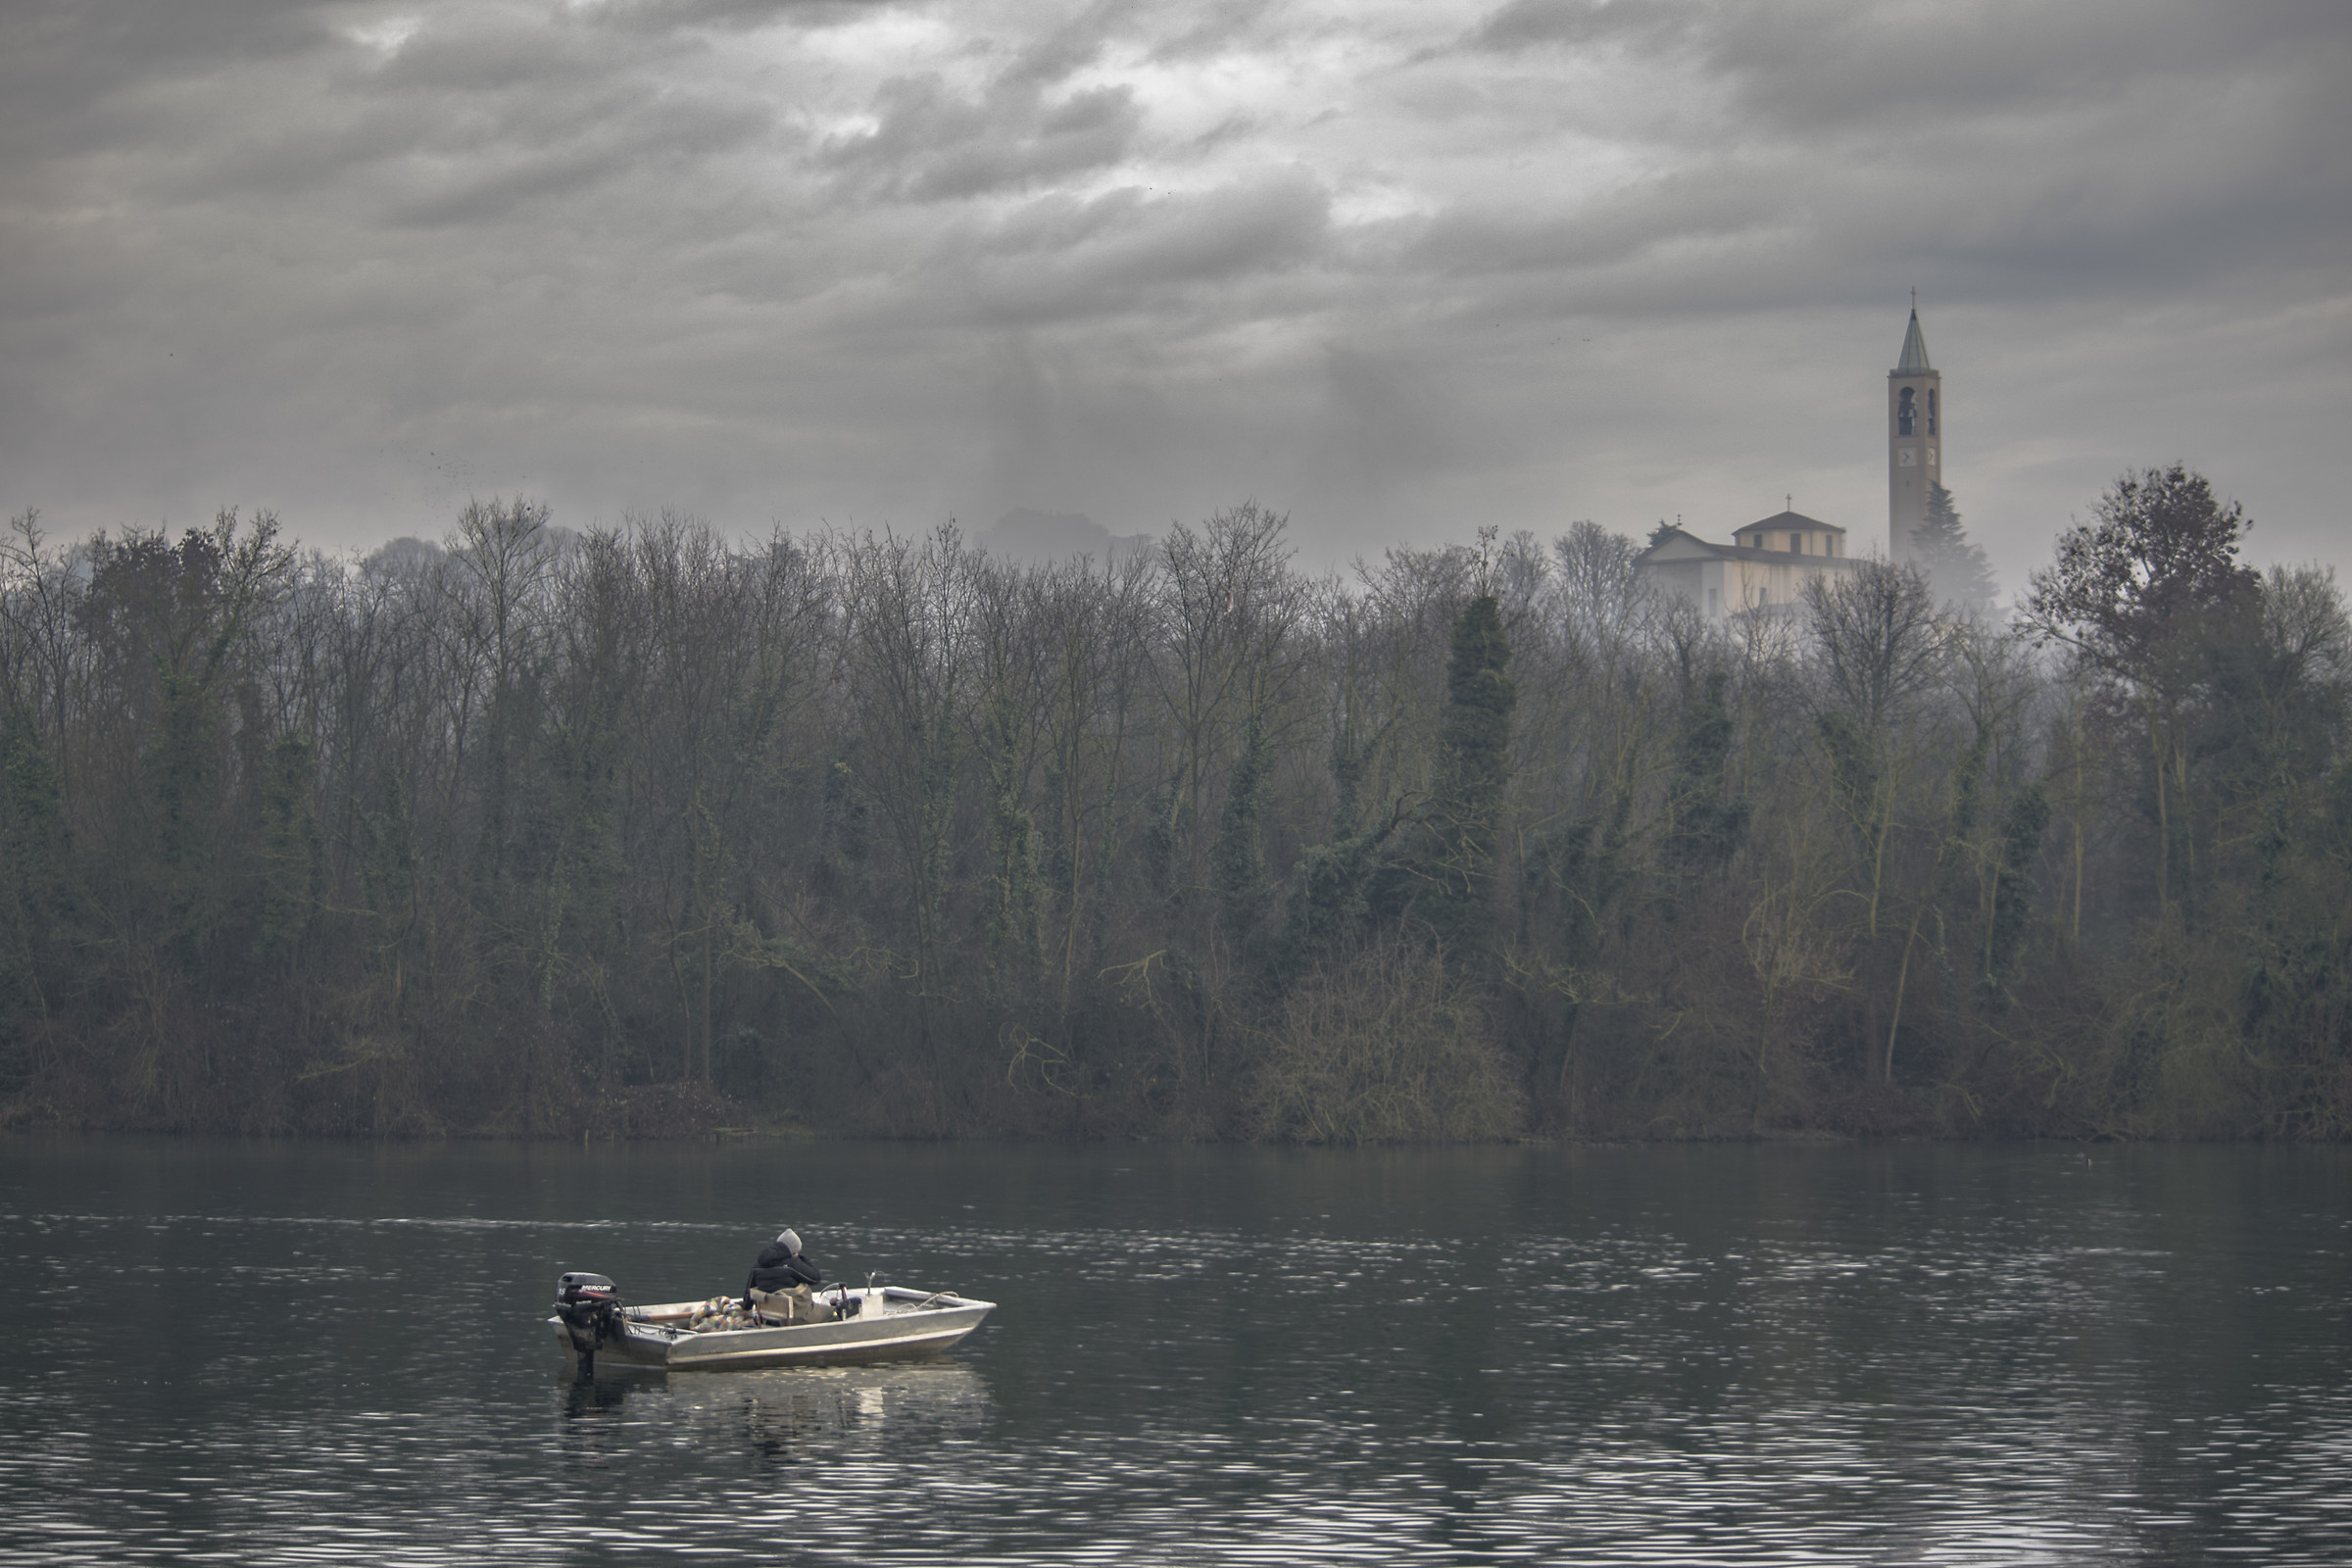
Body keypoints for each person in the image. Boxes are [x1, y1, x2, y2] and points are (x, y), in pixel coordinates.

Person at [743, 1228, 828, 1323]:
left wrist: (746, 1311)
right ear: (793, 1252)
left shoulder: (757, 1265)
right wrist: (801, 1259)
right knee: (833, 1312)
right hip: (797, 1317)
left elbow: (748, 1295)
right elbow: (816, 1278)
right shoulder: (792, 1264)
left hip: (767, 1319)